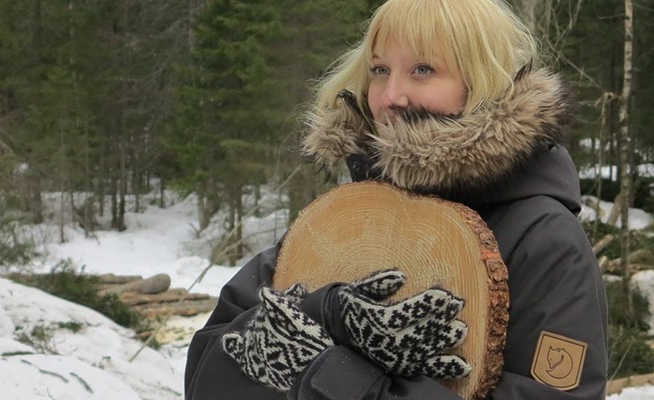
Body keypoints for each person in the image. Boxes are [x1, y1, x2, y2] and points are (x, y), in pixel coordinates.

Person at [184, 0, 608, 398]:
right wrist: (324, 313)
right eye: (380, 70)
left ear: (483, 83)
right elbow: (206, 376)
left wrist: (337, 379)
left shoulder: (544, 240)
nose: (390, 96)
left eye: (423, 69)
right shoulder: (347, 219)